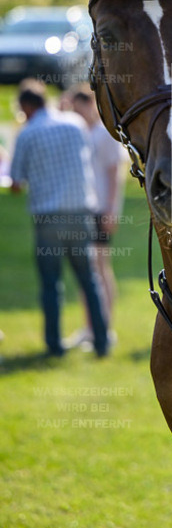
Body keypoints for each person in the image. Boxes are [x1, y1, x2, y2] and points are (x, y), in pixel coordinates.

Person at [9, 79, 109, 358]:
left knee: (51, 283)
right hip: (80, 214)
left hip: (48, 217)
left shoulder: (28, 133)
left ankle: (54, 346)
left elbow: (16, 183)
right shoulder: (75, 124)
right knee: (89, 280)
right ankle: (101, 342)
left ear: (27, 106)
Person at [62, 85, 125, 349]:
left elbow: (115, 175)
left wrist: (111, 210)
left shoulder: (104, 134)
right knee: (87, 270)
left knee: (100, 268)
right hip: (85, 208)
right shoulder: (80, 133)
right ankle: (90, 327)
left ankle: (105, 328)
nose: (77, 115)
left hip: (101, 210)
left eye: (80, 109)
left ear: (91, 105)